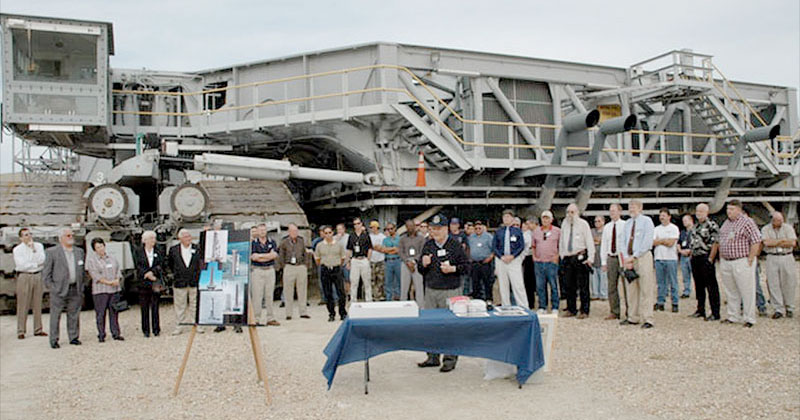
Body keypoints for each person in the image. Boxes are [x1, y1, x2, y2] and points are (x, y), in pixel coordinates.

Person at [416, 213, 469, 373]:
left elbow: (466, 267)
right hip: (431, 290)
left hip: (450, 290)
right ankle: (432, 356)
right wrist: (423, 264)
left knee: (450, 326)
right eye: (433, 229)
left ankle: (450, 359)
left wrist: (453, 269)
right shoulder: (428, 245)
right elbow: (420, 269)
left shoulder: (455, 245)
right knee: (431, 325)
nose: (435, 232)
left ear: (446, 229)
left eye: (438, 229)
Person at [718, 200, 762, 327]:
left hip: (741, 260)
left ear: (738, 210)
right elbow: (721, 240)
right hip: (727, 261)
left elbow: (756, 240)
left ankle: (749, 318)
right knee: (731, 290)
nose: (729, 212)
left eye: (732, 209)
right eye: (728, 209)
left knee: (746, 290)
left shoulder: (747, 222)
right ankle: (733, 315)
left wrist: (751, 258)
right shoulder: (726, 223)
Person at [43, 227, 85, 348]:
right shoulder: (52, 252)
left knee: (74, 314)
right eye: (68, 236)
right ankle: (54, 339)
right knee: (55, 316)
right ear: (61, 238)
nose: (71, 237)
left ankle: (74, 337)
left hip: (74, 289)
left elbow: (82, 271)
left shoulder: (79, 252)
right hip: (59, 289)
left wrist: (81, 286)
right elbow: (46, 274)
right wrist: (52, 288)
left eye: (72, 235)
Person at [620, 199, 656, 329]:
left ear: (640, 208)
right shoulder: (627, 223)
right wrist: (627, 258)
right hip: (629, 258)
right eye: (629, 207)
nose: (631, 209)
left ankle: (648, 318)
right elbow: (623, 241)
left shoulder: (647, 222)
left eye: (634, 207)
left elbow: (647, 242)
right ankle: (632, 316)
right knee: (631, 290)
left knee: (646, 288)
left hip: (643, 257)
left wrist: (634, 256)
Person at [558, 203, 595, 318]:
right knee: (569, 285)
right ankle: (571, 308)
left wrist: (590, 258)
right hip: (568, 257)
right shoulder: (564, 223)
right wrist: (562, 255)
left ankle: (584, 310)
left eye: (572, 212)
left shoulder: (583, 224)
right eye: (568, 212)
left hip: (580, 256)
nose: (570, 215)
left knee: (583, 285)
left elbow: (589, 241)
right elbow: (562, 241)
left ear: (577, 213)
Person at [86, 238, 124, 342]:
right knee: (101, 314)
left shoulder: (112, 258)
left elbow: (118, 270)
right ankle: (101, 334)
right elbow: (95, 275)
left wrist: (117, 279)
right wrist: (108, 282)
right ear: (94, 249)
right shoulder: (92, 260)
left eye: (101, 246)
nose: (100, 249)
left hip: (114, 290)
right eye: (97, 247)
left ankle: (116, 333)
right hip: (100, 291)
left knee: (114, 312)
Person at [761, 211, 797, 319]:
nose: (780, 222)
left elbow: (792, 243)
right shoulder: (765, 229)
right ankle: (778, 308)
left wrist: (775, 242)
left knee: (789, 282)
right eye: (777, 220)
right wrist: (782, 240)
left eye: (781, 220)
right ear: (772, 220)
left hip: (787, 256)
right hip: (772, 256)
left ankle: (789, 307)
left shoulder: (788, 228)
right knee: (773, 283)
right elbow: (766, 243)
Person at [688, 203, 721, 321]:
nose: (699, 213)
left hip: (706, 256)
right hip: (695, 257)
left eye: (701, 211)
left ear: (707, 212)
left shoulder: (712, 225)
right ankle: (700, 309)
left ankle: (715, 312)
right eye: (697, 211)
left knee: (711, 286)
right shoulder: (695, 226)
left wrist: (711, 258)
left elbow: (716, 243)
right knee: (699, 285)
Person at [12, 228, 46, 339]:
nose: (29, 236)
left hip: (37, 275)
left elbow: (42, 259)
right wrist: (35, 264)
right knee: (23, 304)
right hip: (24, 276)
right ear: (21, 238)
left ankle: (38, 329)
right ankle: (21, 330)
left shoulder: (39, 246)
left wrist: (33, 250)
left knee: (37, 303)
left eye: (30, 234)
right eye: (26, 235)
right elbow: (21, 265)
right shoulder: (17, 250)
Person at [168, 229, 204, 335]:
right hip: (180, 281)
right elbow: (170, 263)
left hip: (194, 281)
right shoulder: (173, 250)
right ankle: (180, 325)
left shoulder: (197, 248)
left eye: (189, 236)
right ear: (180, 238)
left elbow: (200, 263)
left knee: (195, 304)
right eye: (185, 237)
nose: (188, 238)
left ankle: (197, 324)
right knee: (180, 305)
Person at [493, 209, 528, 307]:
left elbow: (521, 246)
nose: (506, 219)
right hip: (502, 260)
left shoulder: (517, 231)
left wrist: (513, 256)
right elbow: (494, 246)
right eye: (504, 217)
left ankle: (523, 306)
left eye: (508, 217)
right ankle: (506, 306)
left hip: (513, 260)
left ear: (512, 219)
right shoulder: (499, 232)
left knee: (518, 284)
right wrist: (501, 256)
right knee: (503, 285)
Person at [314, 225, 347, 321]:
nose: (328, 235)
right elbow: (317, 259)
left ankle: (342, 313)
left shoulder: (338, 244)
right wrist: (325, 265)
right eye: (326, 233)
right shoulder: (319, 245)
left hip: (336, 269)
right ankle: (331, 313)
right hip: (325, 270)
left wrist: (336, 265)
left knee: (341, 292)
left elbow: (343, 257)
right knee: (328, 293)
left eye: (330, 232)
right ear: (323, 234)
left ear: (333, 233)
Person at [249, 224, 280, 326]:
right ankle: (256, 319)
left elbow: (274, 255)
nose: (262, 232)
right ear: (257, 232)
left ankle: (270, 318)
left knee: (269, 295)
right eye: (260, 230)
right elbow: (253, 257)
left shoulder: (272, 242)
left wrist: (261, 256)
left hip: (270, 270)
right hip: (257, 270)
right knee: (257, 295)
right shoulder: (253, 243)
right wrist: (267, 255)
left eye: (264, 230)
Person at [600, 204, 627, 320]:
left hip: (622, 258)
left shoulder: (625, 225)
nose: (612, 213)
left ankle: (630, 311)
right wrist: (603, 262)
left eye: (614, 211)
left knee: (626, 285)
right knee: (611, 286)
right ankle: (614, 311)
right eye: (610, 211)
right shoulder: (607, 227)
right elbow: (604, 245)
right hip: (611, 257)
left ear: (620, 212)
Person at [278, 223, 310, 320]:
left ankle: (303, 312)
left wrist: (305, 265)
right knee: (288, 291)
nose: (294, 233)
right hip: (289, 266)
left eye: (296, 231)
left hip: (300, 266)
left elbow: (305, 253)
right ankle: (288, 313)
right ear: (289, 232)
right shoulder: (284, 242)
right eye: (292, 231)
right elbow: (281, 255)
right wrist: (284, 266)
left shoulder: (301, 240)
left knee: (302, 290)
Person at [532, 210, 561, 313]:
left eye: (547, 218)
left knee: (553, 285)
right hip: (539, 262)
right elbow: (533, 245)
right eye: (544, 218)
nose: (545, 220)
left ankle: (555, 306)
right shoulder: (536, 231)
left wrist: (557, 257)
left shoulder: (557, 231)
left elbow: (560, 245)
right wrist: (534, 257)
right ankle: (542, 306)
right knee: (540, 286)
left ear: (551, 219)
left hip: (551, 262)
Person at [136, 230, 163, 337]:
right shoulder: (139, 251)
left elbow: (161, 263)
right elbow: (137, 265)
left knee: (155, 306)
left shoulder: (159, 251)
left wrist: (153, 272)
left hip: (155, 281)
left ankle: (156, 329)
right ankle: (146, 330)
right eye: (151, 238)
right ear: (145, 240)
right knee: (144, 307)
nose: (153, 240)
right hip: (143, 282)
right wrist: (146, 273)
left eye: (154, 238)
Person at [653, 208, 680, 313]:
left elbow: (671, 243)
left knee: (673, 282)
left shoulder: (674, 228)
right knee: (660, 283)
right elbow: (653, 242)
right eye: (661, 215)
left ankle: (675, 303)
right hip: (659, 257)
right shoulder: (656, 229)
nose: (662, 217)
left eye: (664, 215)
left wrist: (660, 241)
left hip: (671, 258)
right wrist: (664, 240)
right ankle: (660, 302)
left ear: (669, 216)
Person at [399, 220, 426, 306]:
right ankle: (403, 306)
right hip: (405, 263)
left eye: (411, 226)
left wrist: (414, 261)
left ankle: (420, 306)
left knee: (419, 286)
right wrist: (407, 261)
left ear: (414, 226)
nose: (410, 228)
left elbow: (422, 251)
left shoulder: (421, 238)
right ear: (406, 227)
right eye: (408, 226)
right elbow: (400, 251)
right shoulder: (402, 238)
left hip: (417, 263)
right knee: (404, 287)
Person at [347, 217, 373, 302]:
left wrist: (368, 259)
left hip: (364, 259)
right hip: (355, 260)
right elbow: (349, 249)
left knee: (367, 281)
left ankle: (369, 300)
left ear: (361, 224)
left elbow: (370, 248)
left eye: (358, 223)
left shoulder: (366, 235)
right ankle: (353, 300)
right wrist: (348, 261)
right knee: (354, 281)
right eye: (355, 224)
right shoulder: (351, 236)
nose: (357, 225)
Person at [467, 220, 495, 302]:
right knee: (475, 283)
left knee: (487, 282)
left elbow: (494, 249)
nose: (478, 229)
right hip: (474, 263)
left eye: (479, 228)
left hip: (485, 263)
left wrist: (490, 257)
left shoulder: (488, 237)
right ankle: (477, 299)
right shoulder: (471, 237)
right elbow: (468, 248)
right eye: (476, 228)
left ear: (482, 228)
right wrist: (469, 257)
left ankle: (488, 299)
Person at [449, 218, 471, 296]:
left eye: (455, 224)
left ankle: (461, 298)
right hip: (450, 262)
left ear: (458, 225)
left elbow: (467, 248)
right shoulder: (448, 235)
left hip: (461, 262)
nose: (453, 226)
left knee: (463, 283)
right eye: (452, 224)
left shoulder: (462, 235)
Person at [382, 223, 402, 301]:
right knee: (388, 281)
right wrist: (393, 249)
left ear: (395, 228)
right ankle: (388, 298)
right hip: (388, 261)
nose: (389, 230)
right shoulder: (385, 240)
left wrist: (389, 249)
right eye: (388, 229)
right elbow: (384, 250)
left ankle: (398, 297)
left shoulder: (400, 239)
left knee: (398, 280)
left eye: (391, 229)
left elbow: (399, 250)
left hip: (398, 260)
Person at [368, 221, 387, 301]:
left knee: (380, 279)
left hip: (380, 260)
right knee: (372, 279)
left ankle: (381, 295)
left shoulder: (382, 237)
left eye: (374, 227)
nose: (373, 229)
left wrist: (376, 248)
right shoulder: (369, 236)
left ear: (377, 227)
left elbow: (384, 248)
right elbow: (369, 247)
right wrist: (376, 248)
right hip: (372, 260)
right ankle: (373, 295)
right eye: (371, 227)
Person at [590, 215, 607, 301]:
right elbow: (590, 241)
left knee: (603, 278)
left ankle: (603, 294)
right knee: (594, 278)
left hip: (603, 259)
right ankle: (595, 294)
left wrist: (598, 241)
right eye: (595, 221)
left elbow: (604, 241)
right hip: (594, 258)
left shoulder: (606, 231)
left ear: (603, 222)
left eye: (599, 221)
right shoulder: (591, 231)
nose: (597, 223)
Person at [521, 219, 537, 308]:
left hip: (538, 257)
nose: (528, 226)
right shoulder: (525, 234)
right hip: (527, 258)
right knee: (528, 281)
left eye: (529, 223)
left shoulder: (537, 232)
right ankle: (530, 303)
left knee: (539, 281)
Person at [678, 214, 694, 299]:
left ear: (691, 220)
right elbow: (679, 243)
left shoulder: (695, 231)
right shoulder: (683, 232)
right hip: (683, 255)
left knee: (695, 274)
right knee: (685, 275)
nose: (684, 223)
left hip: (692, 255)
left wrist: (690, 250)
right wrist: (680, 251)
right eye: (683, 221)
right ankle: (686, 291)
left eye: (686, 221)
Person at [334, 223, 351, 297]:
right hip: (337, 262)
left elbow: (350, 250)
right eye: (338, 229)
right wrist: (337, 239)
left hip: (346, 262)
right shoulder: (334, 238)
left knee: (348, 279)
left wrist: (349, 261)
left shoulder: (348, 237)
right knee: (338, 280)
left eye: (340, 229)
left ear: (344, 229)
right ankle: (340, 295)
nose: (339, 231)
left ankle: (349, 294)